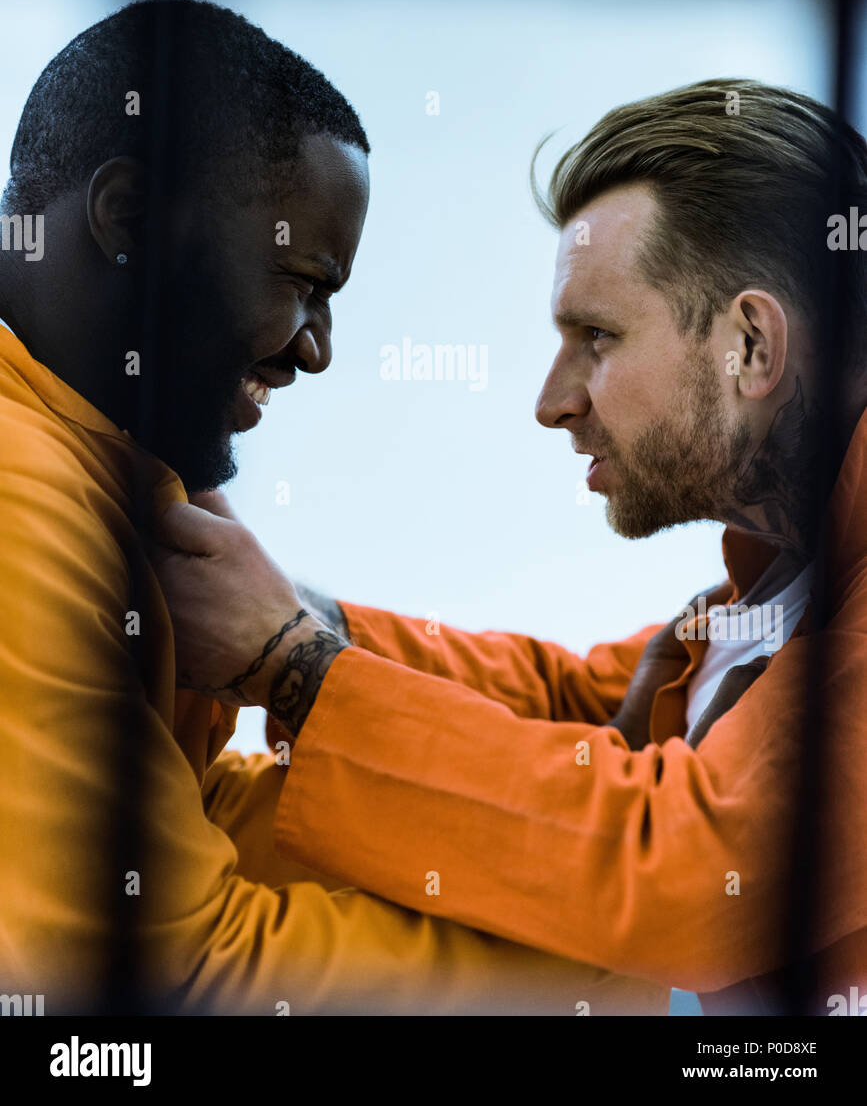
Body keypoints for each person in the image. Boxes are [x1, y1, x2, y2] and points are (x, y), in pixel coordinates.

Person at [0, 0, 668, 1015]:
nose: (315, 349)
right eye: (304, 284)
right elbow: (167, 982)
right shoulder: (26, 501)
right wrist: (612, 952)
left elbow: (186, 817)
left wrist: (557, 839)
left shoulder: (97, 452)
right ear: (127, 221)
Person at [155, 79, 867, 1015]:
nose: (552, 400)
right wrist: (299, 622)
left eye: (597, 338)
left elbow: (696, 866)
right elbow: (570, 712)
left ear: (749, 346)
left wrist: (293, 665)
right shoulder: (780, 585)